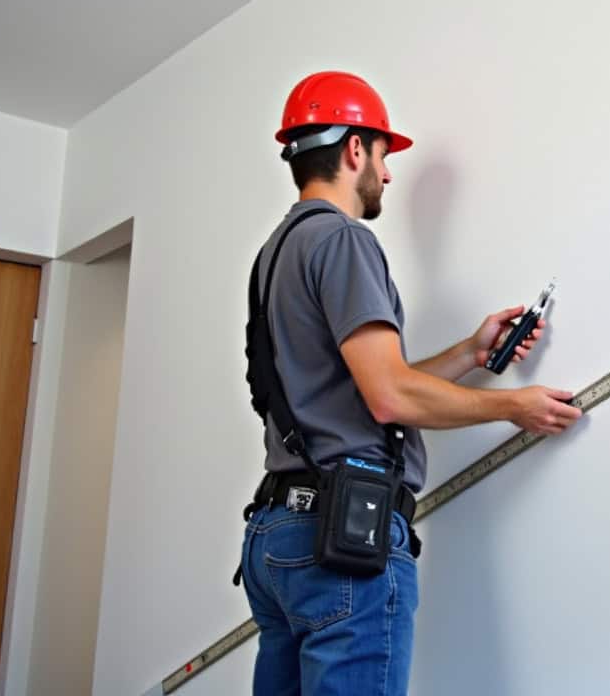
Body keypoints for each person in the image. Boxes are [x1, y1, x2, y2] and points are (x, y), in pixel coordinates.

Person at [237, 70, 582, 696]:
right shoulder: (343, 238)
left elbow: (367, 385)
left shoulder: (277, 251)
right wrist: (513, 407)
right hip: (341, 538)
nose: (388, 174)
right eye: (383, 155)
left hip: (277, 535)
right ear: (353, 149)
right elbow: (389, 396)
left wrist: (472, 353)